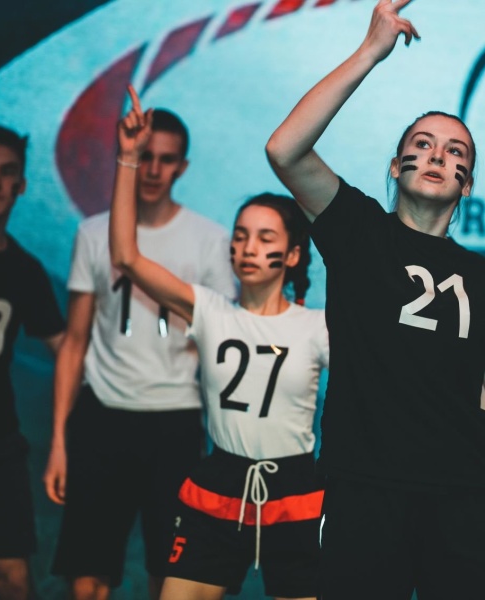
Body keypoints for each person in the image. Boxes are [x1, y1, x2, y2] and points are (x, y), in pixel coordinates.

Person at [265, 1, 485, 597]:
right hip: (365, 493)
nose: (437, 155)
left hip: (463, 500)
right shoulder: (357, 231)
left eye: (456, 152)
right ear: (396, 165)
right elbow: (285, 150)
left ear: (468, 183)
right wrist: (370, 52)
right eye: (424, 144)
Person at [110, 86, 327, 600]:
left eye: (266, 238)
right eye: (241, 235)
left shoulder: (318, 327)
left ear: (293, 256)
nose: (248, 247)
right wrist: (128, 157)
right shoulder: (209, 310)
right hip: (219, 483)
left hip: (295, 492)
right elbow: (126, 256)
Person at [44, 97, 236, 600]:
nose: (153, 170)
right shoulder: (93, 233)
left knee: (168, 577)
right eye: (144, 156)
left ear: (183, 167)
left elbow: (223, 345)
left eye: (166, 159)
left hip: (175, 422)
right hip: (102, 416)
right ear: (128, 154)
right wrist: (59, 441)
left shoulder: (210, 241)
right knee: (87, 579)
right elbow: (75, 342)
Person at [0, 125, 65, 600]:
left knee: (12, 576)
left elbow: (64, 349)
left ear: (21, 184)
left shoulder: (25, 271)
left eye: (5, 172)